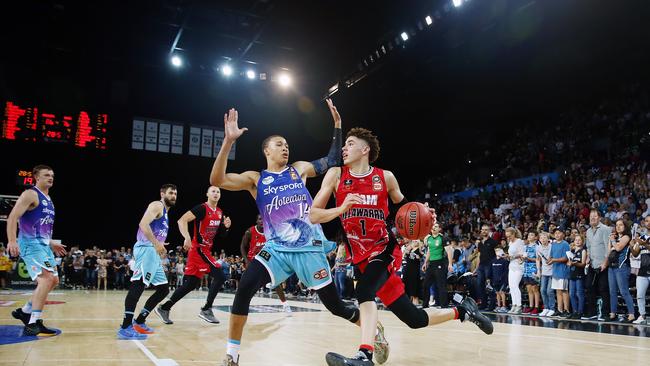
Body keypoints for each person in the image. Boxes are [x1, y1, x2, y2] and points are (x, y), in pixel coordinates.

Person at [309, 127, 493, 366]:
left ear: (365, 149)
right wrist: (341, 209)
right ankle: (463, 310)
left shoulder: (385, 178)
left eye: (350, 143)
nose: (344, 148)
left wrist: (426, 215)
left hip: (383, 249)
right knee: (414, 318)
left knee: (364, 292)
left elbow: (407, 209)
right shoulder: (335, 175)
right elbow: (313, 215)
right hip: (359, 256)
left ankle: (364, 356)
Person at [211, 102, 376, 366]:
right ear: (266, 150)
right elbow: (217, 180)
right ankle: (231, 355)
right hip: (275, 249)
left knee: (336, 307)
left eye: (286, 144)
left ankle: (371, 331)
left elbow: (332, 160)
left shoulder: (297, 169)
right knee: (244, 290)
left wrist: (337, 125)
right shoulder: (256, 179)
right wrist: (228, 141)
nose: (285, 147)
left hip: (308, 247)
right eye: (279, 144)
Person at [155, 186, 231, 325]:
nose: (216, 193)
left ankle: (164, 308)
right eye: (213, 191)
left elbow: (221, 235)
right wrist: (187, 238)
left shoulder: (219, 212)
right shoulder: (202, 208)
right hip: (198, 250)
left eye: (218, 192)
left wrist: (225, 227)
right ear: (207, 194)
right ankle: (206, 309)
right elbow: (181, 220)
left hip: (205, 250)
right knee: (220, 276)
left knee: (190, 285)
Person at [8, 165, 66, 336]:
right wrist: (12, 240)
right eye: (46, 175)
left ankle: (25, 311)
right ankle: (33, 322)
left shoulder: (48, 199)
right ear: (36, 177)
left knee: (53, 280)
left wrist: (50, 242)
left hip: (43, 245)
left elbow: (39, 227)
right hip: (30, 244)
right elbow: (12, 217)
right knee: (46, 279)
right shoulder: (30, 194)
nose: (51, 177)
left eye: (52, 175)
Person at [116, 184, 176, 340]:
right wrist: (156, 243)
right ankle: (125, 326)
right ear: (162, 194)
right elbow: (143, 224)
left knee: (163, 289)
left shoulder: (166, 214)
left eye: (175, 193)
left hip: (153, 252)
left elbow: (154, 231)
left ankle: (139, 321)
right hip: (146, 249)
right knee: (139, 284)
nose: (173, 196)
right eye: (170, 193)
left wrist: (160, 242)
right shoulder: (157, 205)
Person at [240, 214, 292, 314]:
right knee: (249, 284)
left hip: (267, 260)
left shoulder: (271, 232)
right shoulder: (250, 232)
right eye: (260, 219)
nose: (261, 221)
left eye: (263, 220)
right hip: (253, 260)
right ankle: (243, 304)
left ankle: (285, 304)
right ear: (256, 221)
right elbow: (242, 246)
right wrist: (246, 260)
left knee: (276, 283)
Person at [584, 209, 612, 320]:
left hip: (603, 264)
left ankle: (605, 313)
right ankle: (592, 313)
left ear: (599, 217)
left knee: (604, 288)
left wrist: (606, 262)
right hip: (592, 263)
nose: (592, 218)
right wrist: (587, 258)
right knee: (589, 287)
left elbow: (608, 247)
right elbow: (588, 247)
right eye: (591, 217)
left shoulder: (606, 229)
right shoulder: (588, 231)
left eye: (595, 216)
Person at [607, 219, 635, 322]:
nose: (618, 227)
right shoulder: (615, 238)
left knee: (624, 291)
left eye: (621, 225)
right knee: (612, 292)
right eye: (617, 225)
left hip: (622, 267)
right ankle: (612, 313)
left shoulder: (626, 237)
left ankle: (631, 314)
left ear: (625, 226)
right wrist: (610, 240)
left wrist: (613, 241)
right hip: (612, 267)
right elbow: (609, 252)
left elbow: (618, 248)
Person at [422, 224, 453, 308]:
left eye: (436, 226)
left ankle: (444, 306)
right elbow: (429, 251)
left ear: (439, 228)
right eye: (432, 226)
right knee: (425, 285)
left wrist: (450, 264)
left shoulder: (443, 238)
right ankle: (425, 305)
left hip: (440, 263)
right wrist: (425, 262)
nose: (433, 228)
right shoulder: (429, 238)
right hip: (431, 264)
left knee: (441, 285)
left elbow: (449, 251)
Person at [630, 215, 650, 324]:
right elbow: (635, 253)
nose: (648, 223)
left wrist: (645, 245)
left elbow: (646, 246)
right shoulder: (642, 237)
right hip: (643, 270)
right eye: (646, 221)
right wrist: (631, 246)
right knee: (640, 295)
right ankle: (642, 316)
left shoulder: (644, 240)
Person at [474, 225, 498, 310]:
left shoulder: (493, 242)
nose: (484, 231)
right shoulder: (480, 243)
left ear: (489, 231)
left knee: (490, 285)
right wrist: (476, 268)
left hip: (490, 265)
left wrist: (495, 265)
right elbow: (479, 256)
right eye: (483, 230)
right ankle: (483, 304)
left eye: (486, 230)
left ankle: (492, 305)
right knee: (480, 285)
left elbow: (497, 254)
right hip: (481, 266)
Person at [547, 229, 570, 318]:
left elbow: (566, 258)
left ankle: (566, 310)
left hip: (563, 271)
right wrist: (549, 260)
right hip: (555, 271)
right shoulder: (553, 244)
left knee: (564, 291)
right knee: (558, 291)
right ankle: (560, 310)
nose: (557, 234)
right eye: (555, 233)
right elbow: (551, 256)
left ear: (563, 234)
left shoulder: (565, 244)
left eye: (559, 233)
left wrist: (554, 260)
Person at [505, 228, 525, 314]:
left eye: (509, 236)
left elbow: (522, 254)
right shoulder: (510, 243)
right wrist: (507, 256)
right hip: (511, 265)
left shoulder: (519, 241)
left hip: (518, 266)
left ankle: (519, 305)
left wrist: (511, 257)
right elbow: (510, 255)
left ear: (513, 234)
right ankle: (514, 304)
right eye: (507, 236)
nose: (508, 238)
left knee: (515, 285)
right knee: (511, 286)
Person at [567, 235, 587, 319]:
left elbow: (583, 264)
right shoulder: (572, 251)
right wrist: (569, 263)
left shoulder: (583, 251)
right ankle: (574, 311)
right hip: (572, 274)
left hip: (579, 273)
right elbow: (569, 262)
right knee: (571, 294)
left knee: (579, 293)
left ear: (582, 241)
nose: (577, 241)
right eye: (576, 240)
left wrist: (575, 263)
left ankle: (580, 311)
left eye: (579, 240)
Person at [522, 231, 541, 315]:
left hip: (534, 269)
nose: (530, 236)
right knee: (529, 289)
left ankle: (536, 307)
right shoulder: (525, 247)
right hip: (526, 270)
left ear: (536, 237)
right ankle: (531, 306)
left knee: (535, 289)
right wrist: (522, 258)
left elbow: (538, 260)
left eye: (532, 234)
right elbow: (524, 258)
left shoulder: (537, 247)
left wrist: (529, 258)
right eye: (529, 234)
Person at [536, 231, 555, 316]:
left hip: (552, 271)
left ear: (548, 239)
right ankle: (546, 308)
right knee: (542, 290)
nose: (543, 239)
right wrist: (538, 271)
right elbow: (538, 259)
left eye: (544, 237)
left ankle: (552, 308)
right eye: (541, 238)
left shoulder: (552, 247)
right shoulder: (538, 248)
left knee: (549, 291)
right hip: (544, 271)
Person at [491, 248, 509, 312]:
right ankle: (498, 306)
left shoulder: (504, 261)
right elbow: (491, 271)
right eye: (496, 251)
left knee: (502, 292)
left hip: (503, 280)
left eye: (498, 250)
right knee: (497, 293)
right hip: (495, 280)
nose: (497, 252)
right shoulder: (493, 260)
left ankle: (504, 306)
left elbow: (506, 271)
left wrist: (504, 279)